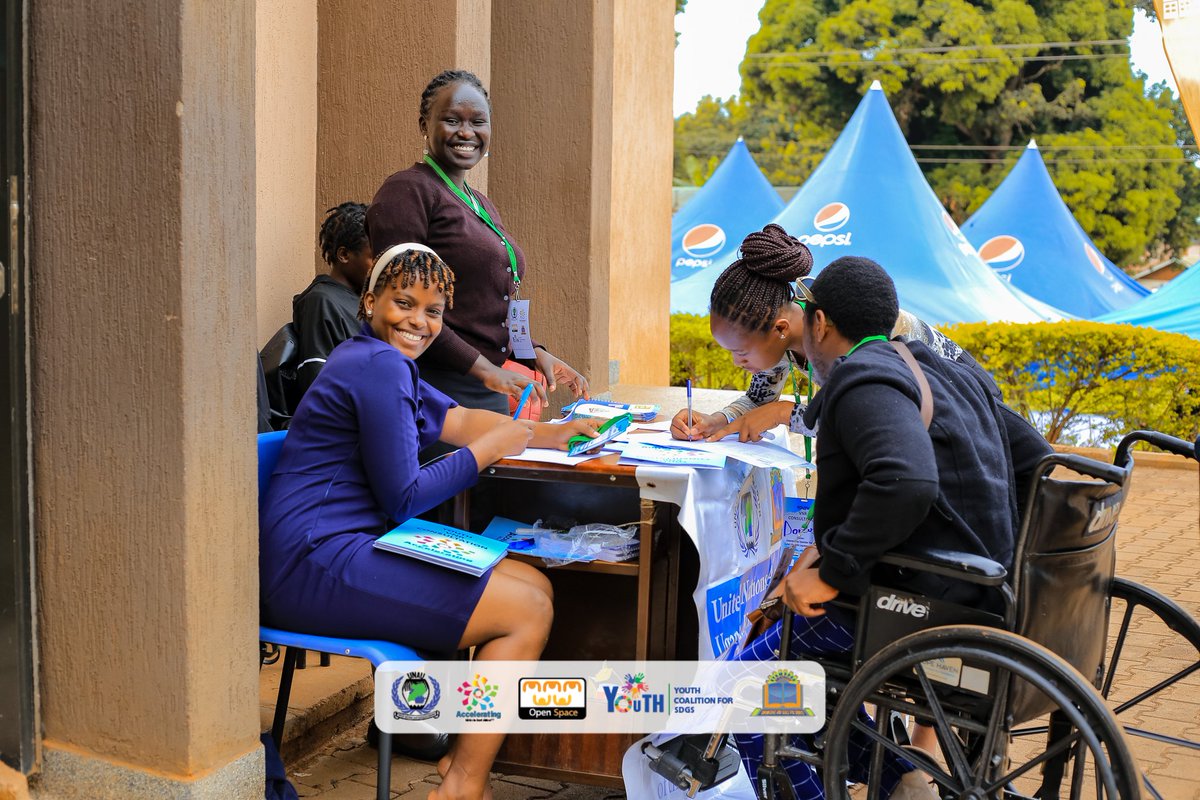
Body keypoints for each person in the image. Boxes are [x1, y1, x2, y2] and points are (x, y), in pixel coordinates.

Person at [260, 244, 597, 800]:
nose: (419, 321)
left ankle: (460, 765)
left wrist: (549, 434)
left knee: (533, 583)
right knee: (527, 610)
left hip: (336, 549)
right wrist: (490, 451)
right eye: (403, 303)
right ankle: (463, 783)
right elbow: (402, 497)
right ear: (369, 301)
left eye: (433, 310)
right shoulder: (379, 367)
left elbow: (459, 418)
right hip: (311, 564)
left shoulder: (379, 359)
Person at [730, 258, 1043, 800]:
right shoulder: (943, 368)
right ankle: (902, 781)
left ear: (819, 322)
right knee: (812, 685)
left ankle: (879, 779)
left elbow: (908, 483)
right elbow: (1034, 456)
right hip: (985, 587)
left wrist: (834, 567)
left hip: (914, 602)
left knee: (748, 691)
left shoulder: (863, 377)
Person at [669, 225, 1048, 509]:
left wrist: (786, 413)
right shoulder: (782, 323)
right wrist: (717, 421)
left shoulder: (858, 328)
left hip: (968, 442)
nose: (739, 362)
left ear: (782, 329)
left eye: (741, 353)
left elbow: (872, 416)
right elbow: (759, 400)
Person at [367, 69, 588, 416]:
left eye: (478, 122)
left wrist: (535, 353)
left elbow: (484, 309)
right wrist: (486, 371)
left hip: (486, 388)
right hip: (432, 387)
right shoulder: (407, 192)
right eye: (452, 120)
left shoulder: (479, 202)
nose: (466, 132)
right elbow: (402, 310)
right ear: (424, 124)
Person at [292, 202, 375, 398]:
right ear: (344, 255)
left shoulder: (365, 299)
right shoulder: (321, 301)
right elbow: (316, 379)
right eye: (374, 257)